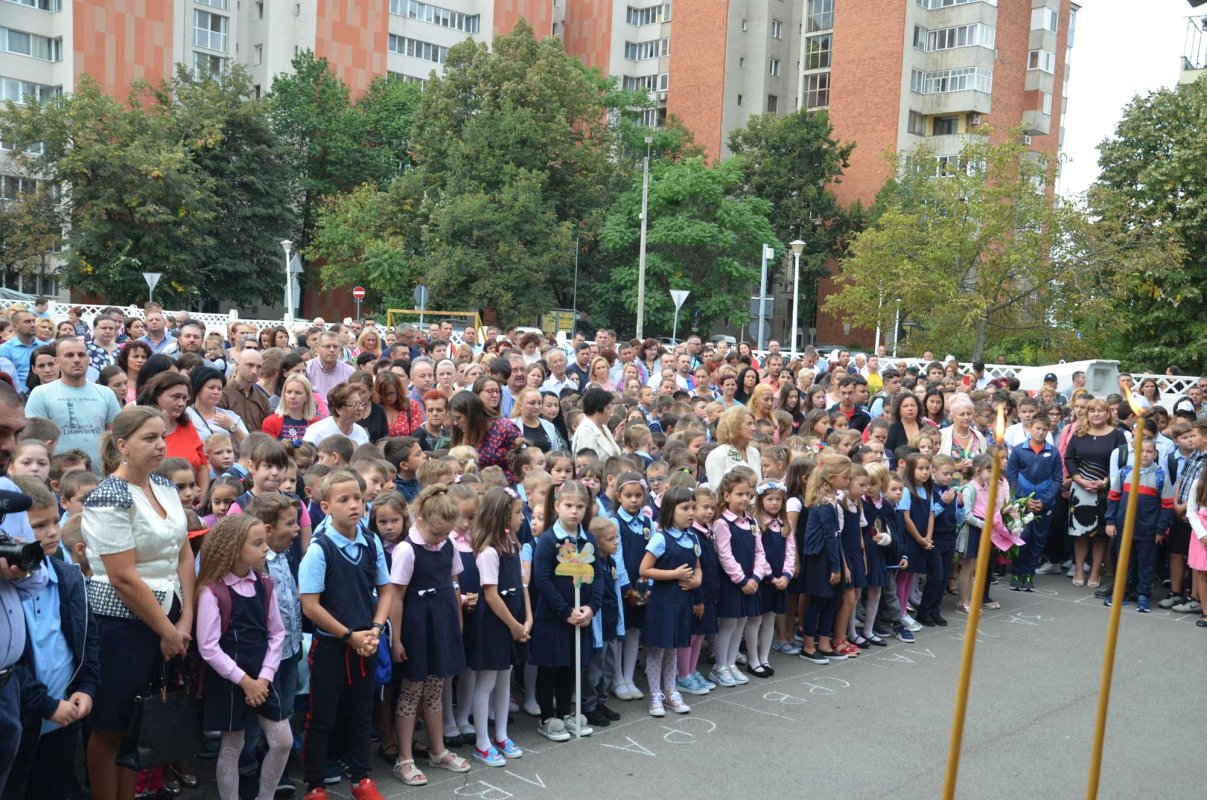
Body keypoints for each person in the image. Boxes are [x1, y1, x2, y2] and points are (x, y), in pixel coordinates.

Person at [82, 406, 195, 800]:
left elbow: (184, 554)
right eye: (149, 438)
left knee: (137, 725)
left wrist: (185, 622)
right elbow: (122, 577)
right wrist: (167, 630)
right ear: (122, 446)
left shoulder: (164, 486)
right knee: (110, 726)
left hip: (170, 620)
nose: (160, 444)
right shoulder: (107, 496)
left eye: (162, 436)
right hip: (122, 626)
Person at [298, 470, 391, 800]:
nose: (355, 505)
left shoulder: (370, 540)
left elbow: (385, 589)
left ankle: (361, 779)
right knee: (321, 717)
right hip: (331, 645)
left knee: (360, 714)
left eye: (359, 498)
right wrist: (349, 635)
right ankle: (315, 785)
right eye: (344, 500)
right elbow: (310, 605)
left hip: (365, 643)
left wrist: (376, 629)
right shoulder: (319, 549)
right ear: (325, 506)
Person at [5, 477, 98, 800]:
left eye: (55, 521)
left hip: (64, 716)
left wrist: (86, 687)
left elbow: (87, 640)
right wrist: (44, 704)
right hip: (24, 718)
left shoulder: (68, 576)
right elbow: (9, 661)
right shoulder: (7, 590)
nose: (52, 532)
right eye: (38, 525)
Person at [195, 515, 293, 800]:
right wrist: (245, 681)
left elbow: (277, 633)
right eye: (258, 543)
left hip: (262, 677)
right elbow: (208, 646)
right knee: (233, 744)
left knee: (282, 741)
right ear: (236, 549)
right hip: (231, 679)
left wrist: (263, 678)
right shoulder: (213, 591)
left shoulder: (264, 584)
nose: (266, 548)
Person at [387, 484, 472, 785]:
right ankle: (404, 757)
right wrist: (396, 639)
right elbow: (395, 598)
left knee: (436, 688)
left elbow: (454, 584)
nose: (440, 538)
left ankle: (438, 750)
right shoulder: (407, 550)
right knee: (412, 690)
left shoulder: (448, 544)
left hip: (442, 624)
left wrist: (457, 622)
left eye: (444, 533)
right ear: (419, 519)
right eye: (435, 532)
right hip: (416, 628)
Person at [529, 481, 602, 741]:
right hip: (553, 618)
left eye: (580, 506)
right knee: (551, 667)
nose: (574, 511)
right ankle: (548, 717)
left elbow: (597, 576)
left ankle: (565, 712)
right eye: (569, 505)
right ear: (557, 506)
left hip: (580, 618)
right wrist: (565, 611)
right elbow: (543, 580)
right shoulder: (549, 540)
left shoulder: (588, 539)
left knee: (571, 667)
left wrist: (591, 607)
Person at [467, 488, 531, 767]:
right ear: (502, 516)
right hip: (496, 623)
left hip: (514, 621)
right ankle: (482, 742)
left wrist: (527, 619)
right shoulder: (488, 552)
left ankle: (502, 735)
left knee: (505, 678)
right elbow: (491, 595)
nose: (523, 517)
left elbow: (521, 585)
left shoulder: (513, 545)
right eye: (518, 512)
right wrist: (514, 625)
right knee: (487, 682)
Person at [639, 487, 700, 716]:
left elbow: (697, 567)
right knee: (657, 649)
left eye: (693, 508)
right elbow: (644, 569)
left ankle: (671, 691)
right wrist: (673, 575)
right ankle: (655, 695)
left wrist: (696, 582)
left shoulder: (692, 537)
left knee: (673, 648)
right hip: (663, 603)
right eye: (685, 508)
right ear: (670, 511)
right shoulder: (660, 538)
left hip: (682, 602)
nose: (691, 513)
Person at [25, 336, 121, 472]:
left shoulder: (106, 393)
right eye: (69, 355)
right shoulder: (41, 394)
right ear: (57, 362)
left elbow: (115, 438)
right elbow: (33, 442)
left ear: (88, 360)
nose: (76, 360)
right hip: (58, 480)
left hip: (100, 480)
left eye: (81, 355)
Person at [1105, 436, 1174, 613]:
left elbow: (1167, 505)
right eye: (1140, 451)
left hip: (1148, 531)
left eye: (1149, 451)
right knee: (1124, 562)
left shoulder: (1161, 476)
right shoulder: (1124, 473)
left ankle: (1143, 595)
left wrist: (1161, 529)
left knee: (1146, 564)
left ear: (1155, 453)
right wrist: (1111, 521)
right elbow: (1113, 497)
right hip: (1123, 529)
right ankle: (1122, 593)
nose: (1144, 455)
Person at [1064, 399, 1128, 588]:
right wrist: (1079, 479)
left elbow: (1123, 463)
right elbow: (1069, 458)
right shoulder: (1079, 434)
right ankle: (1078, 569)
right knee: (1080, 532)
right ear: (1087, 414)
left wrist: (1106, 482)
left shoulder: (1118, 436)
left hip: (1106, 490)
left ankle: (1095, 571)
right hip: (1080, 489)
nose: (1096, 414)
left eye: (1101, 410)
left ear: (1108, 413)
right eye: (1092, 411)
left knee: (1100, 533)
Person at [709, 472, 765, 685]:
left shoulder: (750, 521)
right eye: (739, 494)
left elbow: (760, 551)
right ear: (726, 495)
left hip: (751, 582)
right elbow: (725, 555)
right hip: (733, 583)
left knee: (741, 622)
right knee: (728, 624)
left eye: (747, 494)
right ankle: (720, 666)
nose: (744, 499)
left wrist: (757, 577)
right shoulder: (722, 523)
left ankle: (731, 663)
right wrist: (742, 580)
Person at [798, 453, 851, 664]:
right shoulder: (823, 503)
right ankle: (809, 646)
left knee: (832, 600)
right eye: (845, 477)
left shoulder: (831, 500)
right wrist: (836, 568)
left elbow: (835, 536)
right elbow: (830, 536)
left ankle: (825, 643)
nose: (847, 481)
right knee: (819, 601)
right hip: (821, 559)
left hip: (831, 556)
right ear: (830, 476)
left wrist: (841, 564)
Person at [1006, 413, 1064, 593]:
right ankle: (1017, 572)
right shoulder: (1018, 450)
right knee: (1021, 538)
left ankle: (1029, 573)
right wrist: (1024, 500)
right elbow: (1011, 476)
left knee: (1038, 540)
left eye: (1044, 430)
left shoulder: (1053, 453)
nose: (1040, 432)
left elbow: (1057, 479)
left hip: (1043, 505)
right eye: (1037, 428)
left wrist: (1045, 501)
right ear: (1030, 428)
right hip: (1022, 505)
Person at [139, 371, 211, 498]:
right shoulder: (140, 428)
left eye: (184, 398)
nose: (181, 403)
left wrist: (202, 499)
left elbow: (202, 468)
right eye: (175, 397)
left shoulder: (186, 425)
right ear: (156, 395)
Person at [450, 391, 520, 473]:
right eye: (453, 418)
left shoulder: (505, 429)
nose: (455, 423)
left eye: (458, 418)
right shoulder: (460, 431)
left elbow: (522, 462)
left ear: (472, 415)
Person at [188, 366, 250, 448]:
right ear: (198, 389)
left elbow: (250, 446)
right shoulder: (186, 416)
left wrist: (232, 427)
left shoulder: (229, 416)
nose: (216, 392)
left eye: (219, 389)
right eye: (211, 388)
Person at [705, 406, 762, 491]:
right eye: (749, 424)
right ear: (734, 426)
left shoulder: (754, 452)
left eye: (753, 423)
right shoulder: (718, 455)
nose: (754, 428)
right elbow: (717, 490)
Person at [0, 309, 51, 392]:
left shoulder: (44, 346)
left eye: (33, 321)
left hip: (44, 392)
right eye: (27, 322)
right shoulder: (5, 349)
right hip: (18, 396)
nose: (33, 325)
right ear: (15, 327)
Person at [303, 384, 370, 447]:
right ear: (339, 410)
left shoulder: (361, 432)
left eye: (360, 403)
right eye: (355, 404)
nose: (361, 408)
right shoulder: (317, 432)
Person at [222, 349, 270, 435]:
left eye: (259, 367)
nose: (254, 371)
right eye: (250, 365)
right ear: (237, 365)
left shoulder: (262, 399)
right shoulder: (223, 393)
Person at [570, 387, 620, 459]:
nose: (611, 412)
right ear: (597, 409)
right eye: (608, 408)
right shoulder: (586, 432)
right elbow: (588, 463)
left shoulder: (602, 427)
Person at [305, 332, 355, 400]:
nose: (332, 350)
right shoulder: (307, 369)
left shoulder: (349, 371)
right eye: (327, 346)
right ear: (318, 348)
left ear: (340, 349)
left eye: (335, 346)